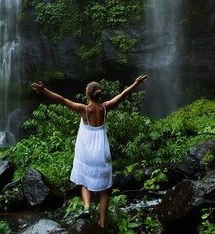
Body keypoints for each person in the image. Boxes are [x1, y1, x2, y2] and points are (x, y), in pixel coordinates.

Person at [30, 75, 148, 228]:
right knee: (105, 190)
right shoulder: (105, 108)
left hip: (86, 151)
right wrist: (135, 83)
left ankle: (86, 207)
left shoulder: (84, 110)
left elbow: (62, 100)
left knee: (84, 180)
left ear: (87, 93)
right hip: (102, 151)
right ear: (99, 93)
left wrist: (44, 89)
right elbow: (123, 95)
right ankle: (102, 223)